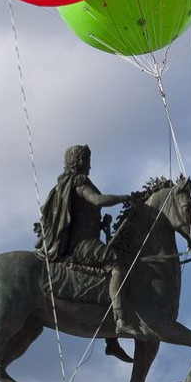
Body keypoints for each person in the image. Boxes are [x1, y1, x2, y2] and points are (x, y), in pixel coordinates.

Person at [36, 144, 144, 341]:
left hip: (81, 240)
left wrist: (101, 223)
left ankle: (110, 340)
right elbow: (98, 200)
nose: (90, 166)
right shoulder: (78, 181)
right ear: (80, 161)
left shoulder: (63, 183)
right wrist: (124, 198)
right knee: (117, 266)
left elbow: (81, 214)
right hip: (82, 244)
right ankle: (121, 320)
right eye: (88, 161)